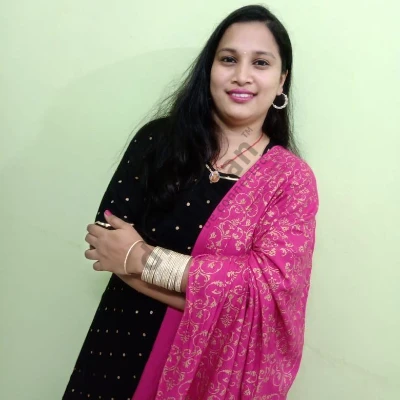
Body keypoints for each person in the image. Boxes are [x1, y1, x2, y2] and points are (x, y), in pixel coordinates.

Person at [63, 4, 319, 400]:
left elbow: (271, 296)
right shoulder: (158, 141)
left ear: (282, 79)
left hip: (208, 371)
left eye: (261, 62)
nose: (242, 75)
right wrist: (199, 289)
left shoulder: (290, 181)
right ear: (209, 68)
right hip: (119, 344)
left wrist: (144, 258)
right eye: (228, 59)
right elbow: (108, 248)